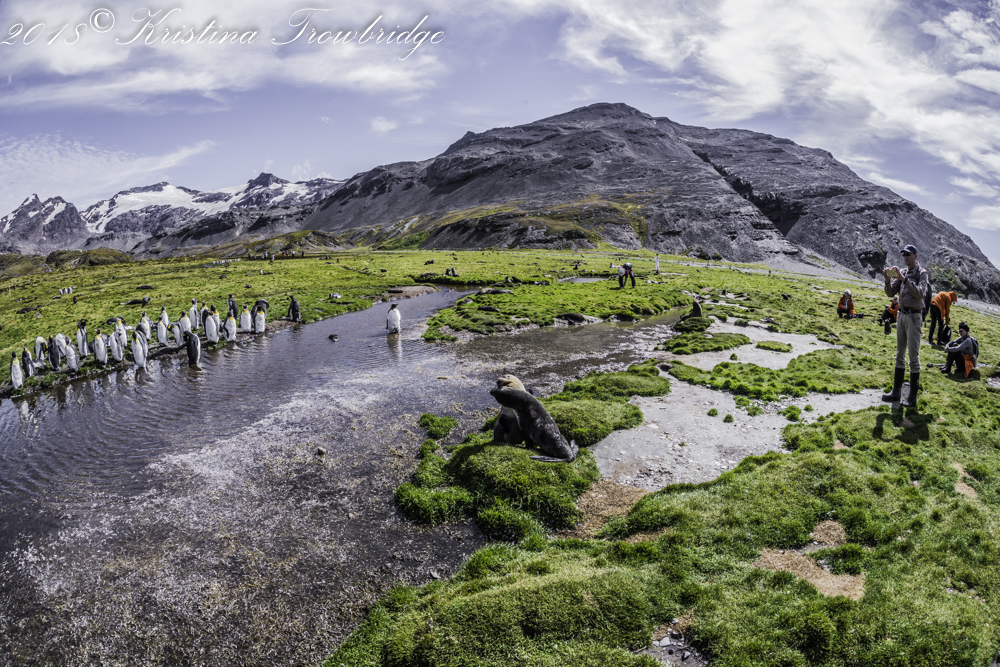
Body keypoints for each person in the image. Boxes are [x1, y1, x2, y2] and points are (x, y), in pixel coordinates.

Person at [882, 244, 930, 407]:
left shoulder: (922, 273)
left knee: (913, 358)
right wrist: (887, 280)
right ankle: (896, 393)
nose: (905, 257)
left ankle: (912, 398)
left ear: (915, 256)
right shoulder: (902, 272)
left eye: (908, 254)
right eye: (904, 255)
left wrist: (904, 279)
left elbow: (920, 293)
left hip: (914, 317)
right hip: (901, 315)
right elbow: (890, 293)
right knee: (899, 354)